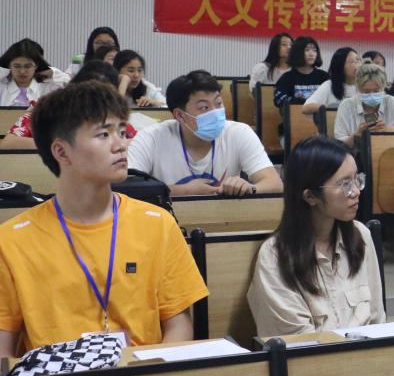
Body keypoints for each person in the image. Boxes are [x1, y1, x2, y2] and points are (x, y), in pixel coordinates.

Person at [0, 82, 208, 355]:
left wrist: (143, 373)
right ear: (61, 152)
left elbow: (179, 326)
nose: (121, 145)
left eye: (121, 132)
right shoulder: (12, 240)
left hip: (142, 373)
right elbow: (3, 351)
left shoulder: (158, 223)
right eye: (103, 134)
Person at [247, 136, 385, 336]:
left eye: (357, 179)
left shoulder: (360, 235)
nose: (356, 191)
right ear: (310, 196)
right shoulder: (275, 256)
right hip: (317, 355)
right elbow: (299, 342)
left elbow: (377, 318)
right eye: (345, 184)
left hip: (367, 351)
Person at [128, 70, 281, 198]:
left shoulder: (239, 132)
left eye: (218, 104)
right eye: (204, 108)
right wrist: (184, 191)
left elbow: (275, 183)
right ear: (179, 115)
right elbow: (128, 188)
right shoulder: (151, 138)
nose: (215, 112)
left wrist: (250, 188)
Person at [2, 61, 142, 151]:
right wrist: (64, 146)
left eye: (104, 96)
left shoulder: (112, 119)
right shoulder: (45, 111)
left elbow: (140, 143)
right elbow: (7, 143)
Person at [332, 63, 394, 147]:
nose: (372, 95)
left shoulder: (393, 102)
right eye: (366, 92)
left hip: (389, 151)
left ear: (383, 87)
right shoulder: (346, 106)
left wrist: (388, 129)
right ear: (358, 89)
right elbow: (338, 143)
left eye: (376, 91)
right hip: (355, 153)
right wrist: (357, 136)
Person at [0, 39, 65, 105]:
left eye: (28, 66)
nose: (22, 71)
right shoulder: (2, 87)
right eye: (17, 66)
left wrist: (53, 72)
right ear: (9, 66)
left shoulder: (48, 88)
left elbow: (68, 86)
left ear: (36, 66)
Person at [302, 46, 359, 116]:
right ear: (340, 65)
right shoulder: (329, 85)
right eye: (352, 61)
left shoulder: (364, 85)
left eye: (358, 60)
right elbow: (305, 108)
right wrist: (329, 109)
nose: (357, 65)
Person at [272, 36, 328, 106]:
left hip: (319, 112)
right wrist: (305, 102)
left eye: (314, 50)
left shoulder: (324, 77)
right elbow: (279, 100)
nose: (311, 54)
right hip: (296, 112)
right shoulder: (287, 77)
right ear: (297, 52)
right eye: (307, 50)